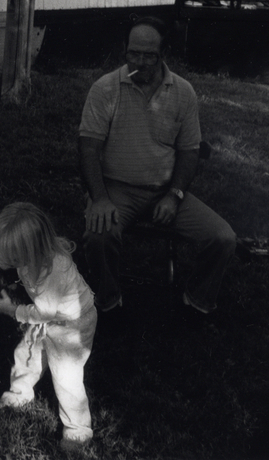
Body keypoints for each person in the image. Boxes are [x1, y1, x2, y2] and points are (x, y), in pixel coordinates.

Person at [78, 16, 236, 314]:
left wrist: (174, 195)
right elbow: (88, 148)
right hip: (116, 190)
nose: (140, 62)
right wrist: (99, 198)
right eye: (133, 54)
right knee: (98, 236)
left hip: (165, 190)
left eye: (149, 55)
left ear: (164, 54)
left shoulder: (183, 92)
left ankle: (196, 300)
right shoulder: (105, 89)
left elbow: (189, 152)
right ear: (124, 50)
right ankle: (108, 301)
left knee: (223, 238)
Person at [0, 202, 97, 453]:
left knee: (66, 376)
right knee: (26, 353)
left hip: (72, 326)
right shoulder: (35, 254)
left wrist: (11, 310)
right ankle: (19, 393)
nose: (11, 262)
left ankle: (78, 430)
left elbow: (43, 312)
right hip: (51, 317)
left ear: (30, 251)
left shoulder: (53, 271)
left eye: (14, 258)